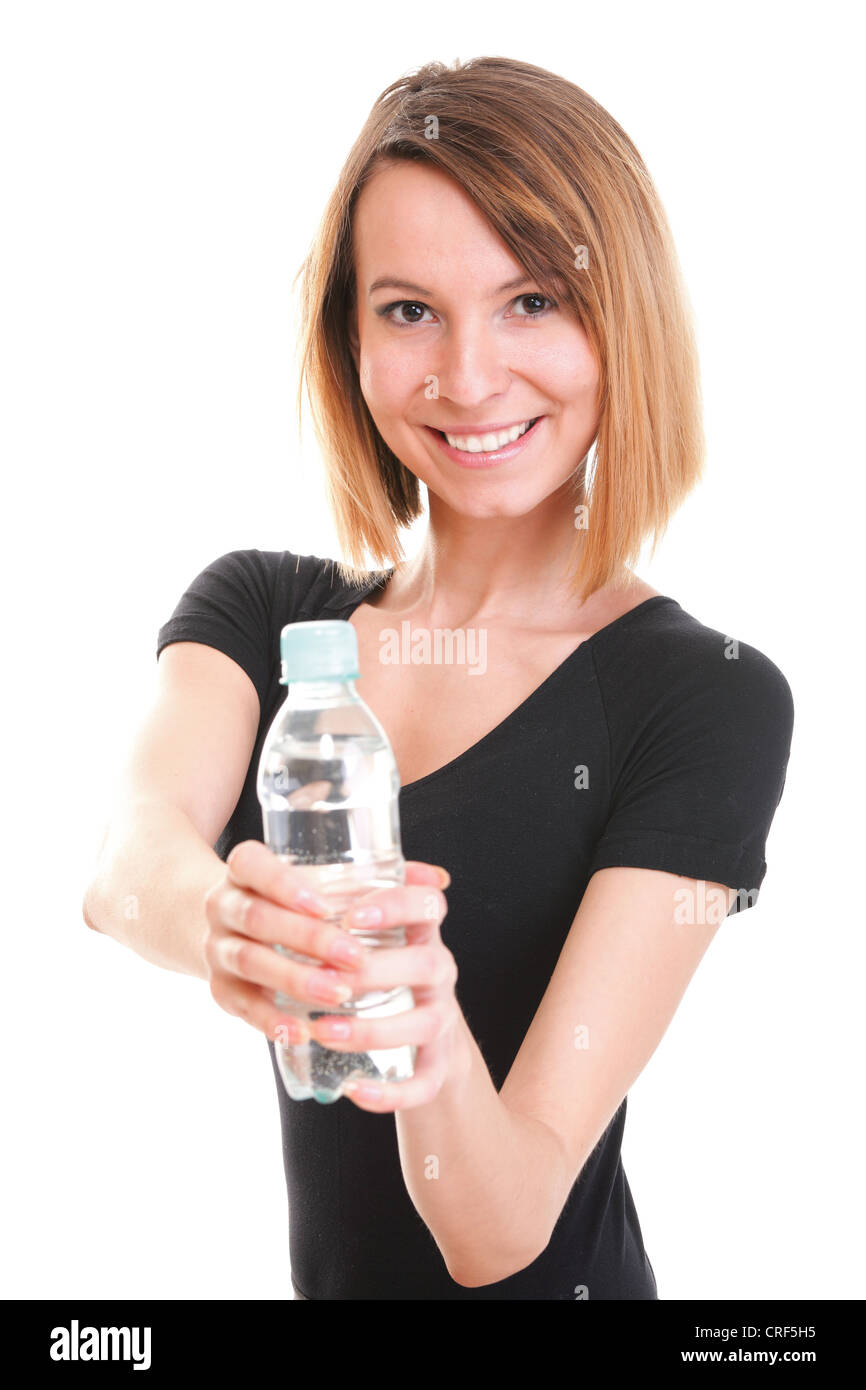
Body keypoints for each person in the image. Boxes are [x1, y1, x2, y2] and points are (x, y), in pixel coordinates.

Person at [83, 56, 795, 1300]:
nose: (467, 377)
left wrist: (414, 1019)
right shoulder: (263, 616)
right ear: (349, 336)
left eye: (529, 302)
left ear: (617, 315)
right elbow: (125, 863)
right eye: (409, 310)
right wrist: (225, 929)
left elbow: (503, 1223)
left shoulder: (706, 697)